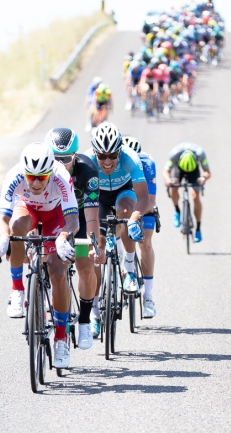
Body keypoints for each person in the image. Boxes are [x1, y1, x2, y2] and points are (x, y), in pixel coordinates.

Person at [0, 142, 79, 369]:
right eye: (31, 177)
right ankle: (17, 290)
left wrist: (62, 238)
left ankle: (61, 339)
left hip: (55, 215)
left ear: (51, 171)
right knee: (16, 226)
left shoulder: (61, 176)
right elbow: (3, 217)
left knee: (57, 268)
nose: (37, 182)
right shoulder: (13, 176)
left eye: (42, 177)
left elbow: (73, 220)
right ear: (24, 173)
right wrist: (3, 237)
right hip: (28, 209)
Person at [85, 122, 150, 336]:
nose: (107, 161)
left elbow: (143, 198)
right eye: (101, 156)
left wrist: (134, 219)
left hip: (125, 192)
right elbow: (83, 203)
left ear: (119, 151)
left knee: (125, 214)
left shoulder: (131, 158)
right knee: (97, 251)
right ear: (94, 152)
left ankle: (129, 270)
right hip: (99, 198)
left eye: (113, 155)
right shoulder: (87, 163)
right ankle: (94, 313)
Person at [44, 127, 106, 350]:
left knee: (86, 268)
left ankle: (84, 321)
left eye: (66, 159)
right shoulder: (42, 169)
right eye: (56, 159)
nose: (61, 165)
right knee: (45, 261)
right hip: (51, 216)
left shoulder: (88, 171)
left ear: (76, 156)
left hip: (77, 218)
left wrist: (94, 243)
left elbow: (91, 216)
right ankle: (41, 295)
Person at [122, 136, 158, 318]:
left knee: (146, 244)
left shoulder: (147, 163)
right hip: (124, 202)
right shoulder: (117, 163)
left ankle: (148, 297)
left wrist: (137, 216)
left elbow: (150, 201)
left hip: (144, 206)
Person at [163, 142, 211, 242]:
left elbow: (207, 172)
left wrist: (203, 177)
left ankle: (198, 228)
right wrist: (168, 180)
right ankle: (177, 210)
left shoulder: (200, 154)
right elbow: (166, 171)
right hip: (178, 168)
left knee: (195, 196)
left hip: (194, 171)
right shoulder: (174, 154)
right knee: (173, 186)